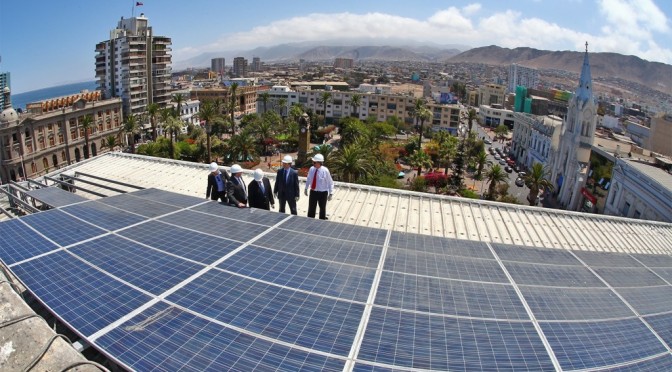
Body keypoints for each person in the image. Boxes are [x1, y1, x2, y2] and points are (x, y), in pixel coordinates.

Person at [304, 153, 334, 220]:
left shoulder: (325, 171)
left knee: (322, 208)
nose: (313, 163)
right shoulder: (311, 169)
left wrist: (331, 193)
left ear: (319, 163)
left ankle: (322, 220)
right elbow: (308, 179)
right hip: (313, 192)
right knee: (311, 208)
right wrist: (306, 188)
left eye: (314, 162)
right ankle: (310, 220)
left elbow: (330, 182)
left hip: (322, 193)